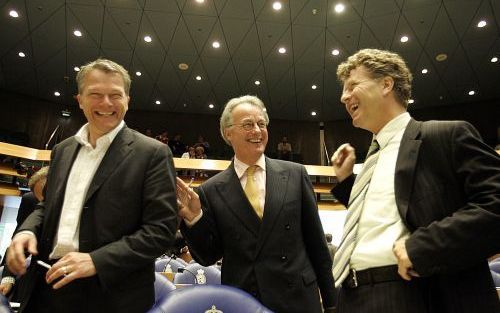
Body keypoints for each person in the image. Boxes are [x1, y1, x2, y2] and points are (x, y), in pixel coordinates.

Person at [330, 48, 500, 312]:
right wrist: (345, 182)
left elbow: (495, 205)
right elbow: (392, 212)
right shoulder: (370, 159)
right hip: (351, 297)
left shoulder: (445, 136)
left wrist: (425, 246)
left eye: (353, 85)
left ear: (386, 84)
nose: (343, 97)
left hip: (412, 293)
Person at [6, 59, 178, 313]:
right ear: (80, 100)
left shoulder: (153, 153)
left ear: (127, 100)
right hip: (47, 287)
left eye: (115, 95)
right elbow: (47, 206)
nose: (106, 103)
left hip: (112, 295)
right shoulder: (62, 150)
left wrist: (96, 260)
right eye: (95, 94)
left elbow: (161, 230)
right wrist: (26, 231)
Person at [176, 95, 336, 313]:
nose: (257, 131)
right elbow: (208, 256)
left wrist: (331, 303)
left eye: (261, 124)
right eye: (248, 125)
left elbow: (317, 245)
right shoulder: (211, 189)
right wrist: (195, 219)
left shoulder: (295, 174)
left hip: (297, 299)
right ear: (228, 133)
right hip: (244, 300)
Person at [0, 167, 49, 298]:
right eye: (40, 200)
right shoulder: (30, 200)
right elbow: (17, 240)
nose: (43, 205)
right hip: (33, 269)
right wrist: (8, 277)